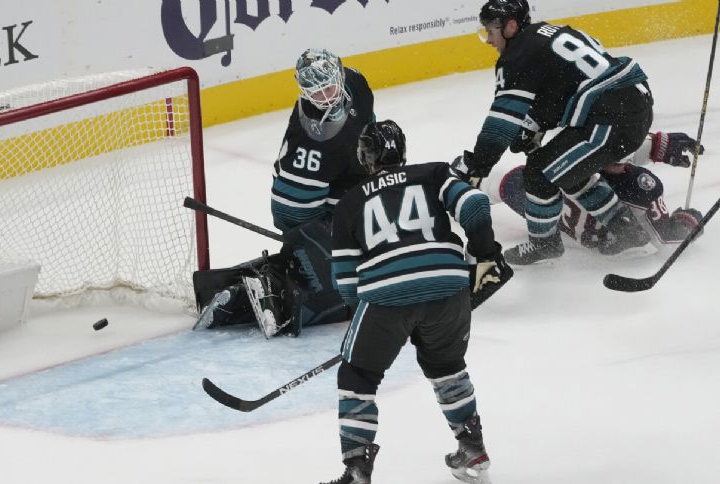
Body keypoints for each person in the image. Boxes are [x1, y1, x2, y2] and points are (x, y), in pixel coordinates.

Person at [321, 120, 511, 484]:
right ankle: (473, 449)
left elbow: (345, 284)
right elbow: (473, 204)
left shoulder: (349, 202)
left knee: (357, 374)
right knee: (447, 366)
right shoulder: (435, 174)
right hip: (450, 286)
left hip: (385, 297)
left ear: (366, 157)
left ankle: (357, 468)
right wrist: (485, 252)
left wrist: (380, 320)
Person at [453, 0, 656, 265]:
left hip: (610, 120)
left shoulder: (517, 56)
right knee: (566, 170)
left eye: (491, 31)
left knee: (538, 173)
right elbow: (562, 89)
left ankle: (544, 245)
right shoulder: (552, 33)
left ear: (511, 26)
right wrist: (536, 123)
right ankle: (629, 233)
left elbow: (500, 123)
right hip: (630, 106)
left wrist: (477, 164)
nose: (489, 40)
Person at [192, 48, 375, 338]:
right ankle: (267, 289)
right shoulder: (312, 139)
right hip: (301, 208)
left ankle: (268, 278)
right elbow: (292, 210)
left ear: (340, 74)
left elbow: (366, 123)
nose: (326, 96)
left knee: (337, 258)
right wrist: (319, 236)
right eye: (316, 92)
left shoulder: (356, 83)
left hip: (337, 191)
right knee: (338, 298)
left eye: (329, 85)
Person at [480, 131, 705, 253]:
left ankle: (464, 185)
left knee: (501, 180)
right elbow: (665, 239)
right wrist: (688, 225)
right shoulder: (642, 186)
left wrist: (658, 146)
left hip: (570, 230)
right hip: (605, 241)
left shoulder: (570, 156)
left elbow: (610, 150)